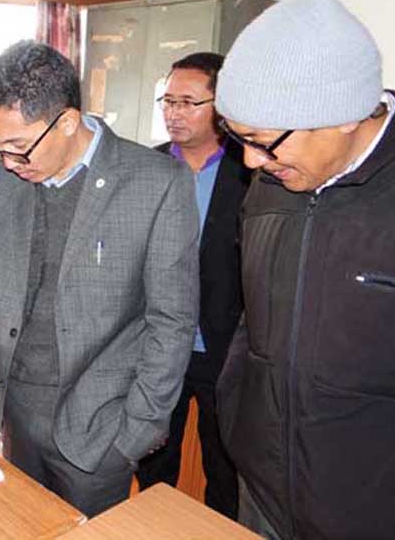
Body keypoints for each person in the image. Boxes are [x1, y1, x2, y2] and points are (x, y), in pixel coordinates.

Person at [0, 41, 200, 518]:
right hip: (16, 414)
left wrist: (134, 434)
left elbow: (171, 322)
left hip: (101, 430)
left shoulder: (156, 183)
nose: (7, 161)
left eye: (17, 146)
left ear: (68, 122)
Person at [212, 0, 395, 539]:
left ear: (344, 115)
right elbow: (255, 319)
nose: (250, 161)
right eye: (237, 137)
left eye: (261, 140)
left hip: (373, 513)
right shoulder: (273, 179)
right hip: (262, 494)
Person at [136, 52, 250, 519]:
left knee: (225, 463)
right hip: (159, 343)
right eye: (168, 101)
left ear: (221, 107)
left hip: (223, 347)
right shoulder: (147, 167)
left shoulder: (251, 171)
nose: (173, 112)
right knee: (152, 453)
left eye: (188, 102)